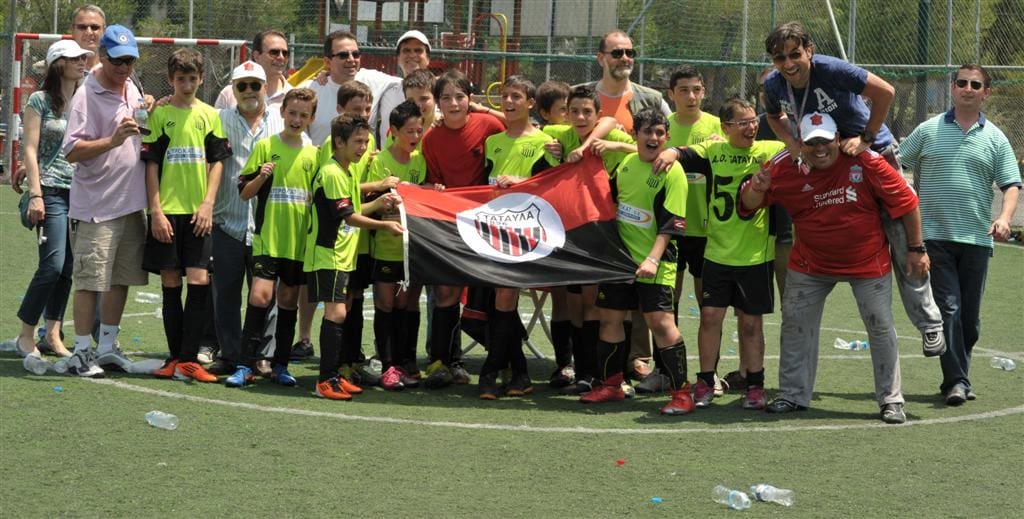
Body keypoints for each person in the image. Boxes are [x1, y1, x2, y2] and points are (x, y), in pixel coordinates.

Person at [761, 21, 944, 356]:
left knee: (902, 238)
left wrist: (866, 138)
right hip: (826, 157)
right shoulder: (774, 84)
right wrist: (793, 143)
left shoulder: (833, 70)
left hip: (869, 154)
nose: (788, 64)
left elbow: (885, 92)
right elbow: (773, 116)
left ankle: (929, 324)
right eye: (779, 58)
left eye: (794, 54)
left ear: (810, 50)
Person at [741, 112, 922, 424]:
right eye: (812, 143)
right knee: (795, 325)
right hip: (810, 263)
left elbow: (907, 201)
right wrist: (758, 186)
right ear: (800, 143)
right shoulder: (783, 166)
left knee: (880, 326)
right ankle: (792, 395)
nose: (820, 148)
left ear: (838, 139)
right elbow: (746, 205)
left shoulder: (866, 160)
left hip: (867, 262)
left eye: (826, 141)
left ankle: (891, 400)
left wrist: (917, 249)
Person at [897, 65, 1021, 406]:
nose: (968, 88)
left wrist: (1004, 218)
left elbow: (1011, 185)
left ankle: (956, 379)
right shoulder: (928, 130)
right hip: (933, 237)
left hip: (977, 240)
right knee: (949, 309)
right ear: (953, 88)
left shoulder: (995, 138)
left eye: (975, 84)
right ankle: (957, 382)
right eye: (962, 83)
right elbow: (895, 165)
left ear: (986, 93)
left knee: (970, 320)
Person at [655, 96, 784, 411]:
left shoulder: (769, 150)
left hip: (755, 256)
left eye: (753, 120)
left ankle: (755, 385)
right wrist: (669, 152)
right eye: (743, 123)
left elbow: (800, 150)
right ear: (726, 127)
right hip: (716, 252)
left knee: (751, 324)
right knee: (710, 317)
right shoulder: (713, 151)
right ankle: (705, 381)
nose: (751, 127)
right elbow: (683, 152)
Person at [579, 108, 694, 415]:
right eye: (647, 132)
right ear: (636, 135)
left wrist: (652, 259)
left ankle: (682, 394)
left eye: (659, 133)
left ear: (667, 137)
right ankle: (612, 385)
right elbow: (611, 204)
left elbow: (671, 224)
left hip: (656, 262)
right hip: (621, 263)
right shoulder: (627, 164)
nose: (653, 138)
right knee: (610, 319)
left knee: (661, 323)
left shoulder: (673, 172)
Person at [61, 25, 149, 377]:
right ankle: (81, 352)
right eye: (118, 61)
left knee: (120, 278)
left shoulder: (132, 86)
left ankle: (108, 347)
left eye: (130, 61)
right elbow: (71, 151)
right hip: (97, 208)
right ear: (102, 56)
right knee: (89, 281)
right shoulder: (86, 93)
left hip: (131, 203)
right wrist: (112, 141)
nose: (124, 68)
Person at [142, 48, 231, 382]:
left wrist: (208, 204)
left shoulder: (209, 115)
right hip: (167, 213)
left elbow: (218, 162)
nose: (187, 84)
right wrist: (156, 211)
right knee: (170, 282)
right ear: (171, 79)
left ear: (201, 79)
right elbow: (151, 165)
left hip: (198, 215)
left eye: (193, 78)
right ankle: (175, 357)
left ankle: (190, 359)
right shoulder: (160, 115)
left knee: (198, 280)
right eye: (181, 79)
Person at [542, 85, 636, 393]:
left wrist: (612, 145)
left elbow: (641, 148)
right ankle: (584, 373)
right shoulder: (561, 133)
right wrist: (553, 149)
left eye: (587, 112)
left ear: (597, 114)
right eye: (574, 111)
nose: (581, 117)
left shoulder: (613, 135)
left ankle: (609, 374)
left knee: (601, 305)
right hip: (571, 233)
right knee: (577, 305)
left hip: (605, 233)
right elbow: (540, 130)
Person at [228, 88, 320, 388]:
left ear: (311, 119)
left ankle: (280, 364)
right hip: (268, 239)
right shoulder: (266, 147)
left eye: (303, 115)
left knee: (288, 301)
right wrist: (261, 177)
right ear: (282, 113)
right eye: (292, 113)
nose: (296, 119)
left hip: (297, 245)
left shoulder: (314, 155)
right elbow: (244, 193)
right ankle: (245, 364)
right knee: (259, 297)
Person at [420, 69, 506, 387]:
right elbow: (431, 184)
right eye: (446, 98)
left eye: (460, 97)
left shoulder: (489, 125)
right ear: (437, 102)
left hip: (488, 223)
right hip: (449, 224)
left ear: (470, 99)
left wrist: (484, 108)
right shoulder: (431, 139)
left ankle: (504, 361)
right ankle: (444, 361)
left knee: (501, 292)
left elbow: (519, 126)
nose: (454, 104)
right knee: (446, 293)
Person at [309, 114, 404, 400]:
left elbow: (354, 209)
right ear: (339, 142)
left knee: (342, 312)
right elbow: (349, 217)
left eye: (365, 141)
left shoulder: (346, 171)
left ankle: (334, 375)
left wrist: (379, 201)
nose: (363, 148)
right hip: (329, 254)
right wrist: (384, 225)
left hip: (341, 255)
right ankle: (325, 381)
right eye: (358, 142)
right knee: (336, 313)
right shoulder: (332, 173)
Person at [475, 76, 559, 400]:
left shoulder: (546, 141)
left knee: (504, 298)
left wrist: (521, 184)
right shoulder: (493, 142)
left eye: (516, 96)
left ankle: (490, 372)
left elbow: (552, 187)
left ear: (530, 103)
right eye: (505, 96)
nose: (509, 102)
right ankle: (519, 373)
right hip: (493, 231)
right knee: (501, 301)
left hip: (528, 233)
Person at [15, 40, 93, 373]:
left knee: (67, 268)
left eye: (83, 58)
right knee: (52, 264)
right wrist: (35, 194)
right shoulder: (40, 100)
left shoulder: (86, 99)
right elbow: (30, 150)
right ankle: (26, 334)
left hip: (82, 192)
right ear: (58, 63)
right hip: (49, 190)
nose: (82, 62)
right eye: (75, 58)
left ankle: (53, 334)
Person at [209, 61, 284, 377]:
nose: (249, 91)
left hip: (268, 224)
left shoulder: (282, 120)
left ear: (266, 87)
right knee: (225, 294)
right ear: (233, 90)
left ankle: (262, 355)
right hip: (227, 219)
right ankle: (230, 353)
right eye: (242, 86)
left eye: (255, 85)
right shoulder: (218, 119)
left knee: (267, 295)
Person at [365, 100, 431, 390]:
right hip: (385, 246)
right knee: (386, 304)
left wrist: (429, 192)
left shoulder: (420, 161)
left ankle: (403, 363)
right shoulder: (380, 162)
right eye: (409, 131)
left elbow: (424, 201)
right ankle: (387, 365)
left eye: (419, 131)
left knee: (405, 303)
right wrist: (388, 198)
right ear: (393, 131)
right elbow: (370, 202)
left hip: (410, 248)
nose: (415, 137)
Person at [307, 31, 404, 147]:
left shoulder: (373, 80)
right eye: (343, 55)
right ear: (328, 61)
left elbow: (410, 83)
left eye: (356, 54)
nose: (351, 59)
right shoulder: (311, 90)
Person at [574, 30, 672, 134]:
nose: (625, 58)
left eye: (629, 53)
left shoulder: (652, 100)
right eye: (617, 53)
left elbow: (672, 135)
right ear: (601, 59)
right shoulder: (574, 95)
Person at [214, 30, 292, 111]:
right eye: (274, 52)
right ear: (257, 56)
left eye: (285, 53)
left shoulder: (294, 97)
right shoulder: (229, 94)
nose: (281, 57)